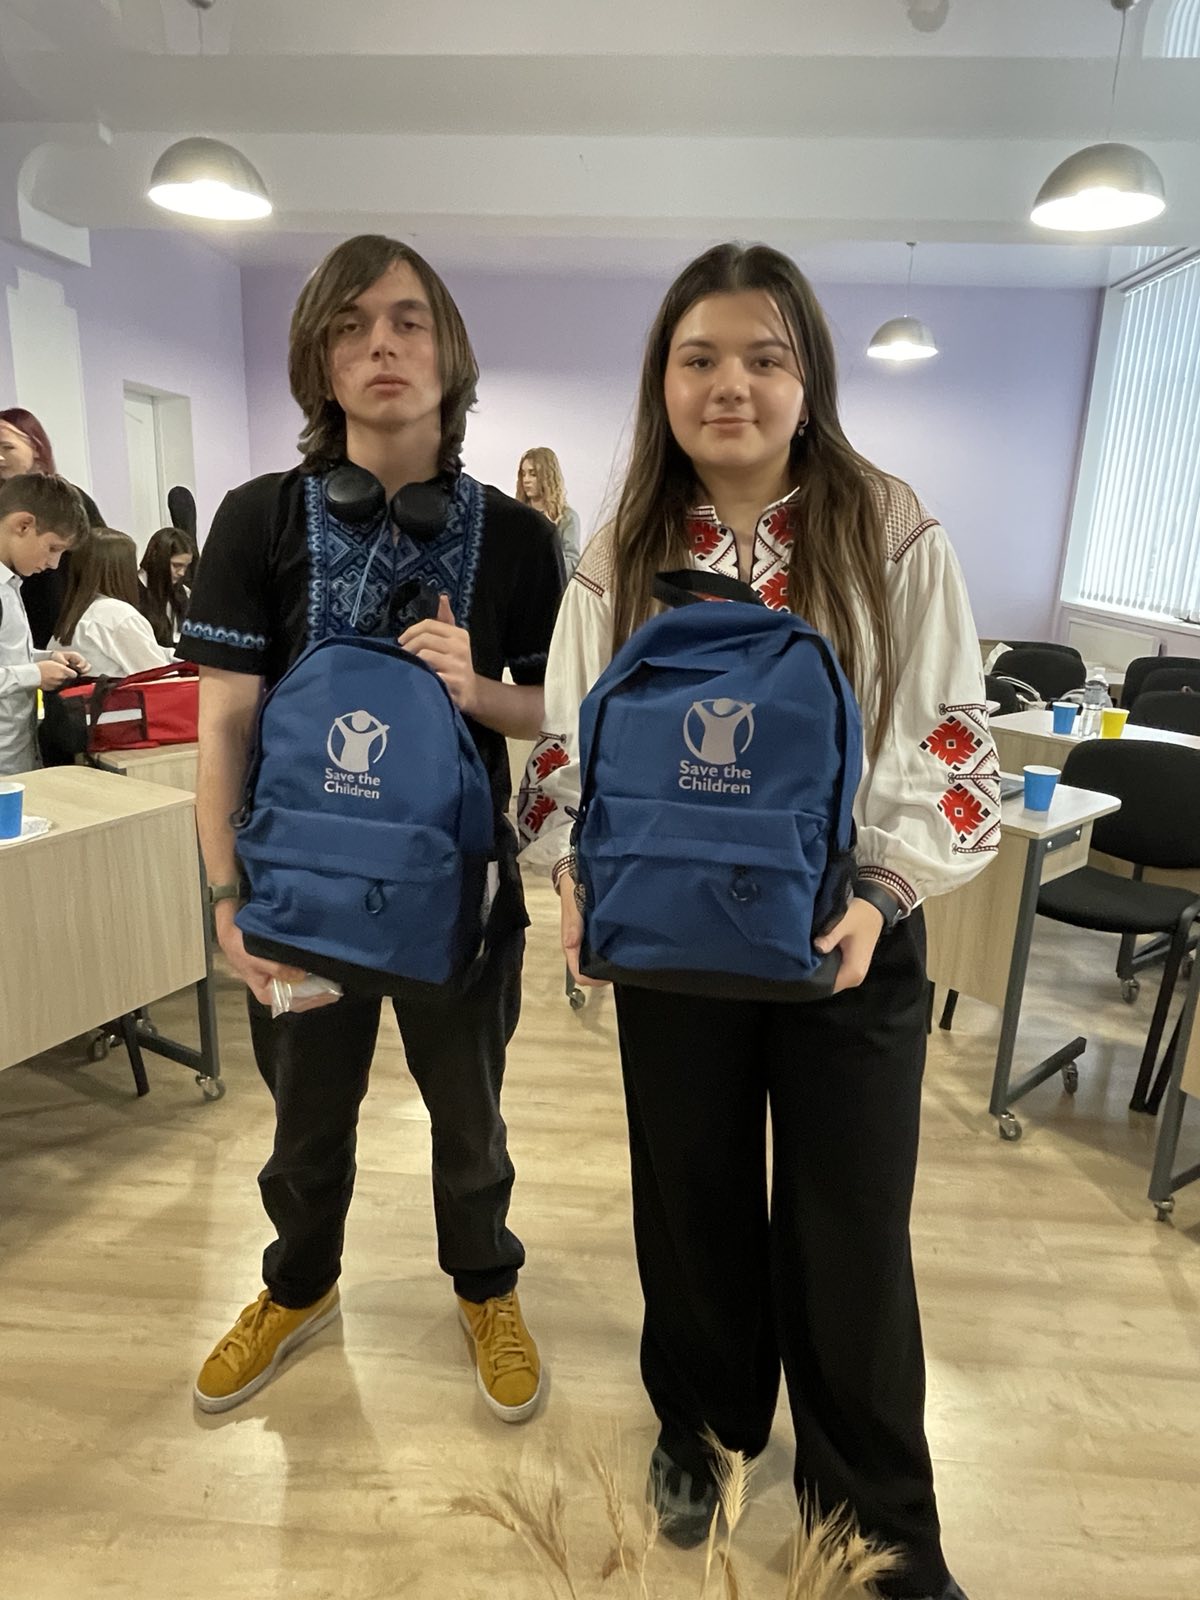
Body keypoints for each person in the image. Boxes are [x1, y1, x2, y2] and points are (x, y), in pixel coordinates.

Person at [519, 244, 996, 1600]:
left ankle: (878, 1519)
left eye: (765, 357)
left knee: (851, 1228)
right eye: (700, 358)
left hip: (847, 928)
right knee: (693, 1202)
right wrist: (574, 878)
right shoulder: (624, 548)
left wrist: (884, 892)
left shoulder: (887, 528)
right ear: (662, 380)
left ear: (808, 379)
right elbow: (569, 746)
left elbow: (948, 736)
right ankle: (706, 1427)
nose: (731, 384)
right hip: (674, 933)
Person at [177, 234, 564, 1419]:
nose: (380, 345)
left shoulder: (517, 537)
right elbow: (224, 728)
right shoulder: (257, 519)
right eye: (349, 326)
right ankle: (298, 1288)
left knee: (471, 1118)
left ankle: (486, 1284)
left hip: (459, 896)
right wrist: (227, 898)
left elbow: (557, 710)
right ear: (318, 360)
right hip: (299, 893)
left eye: (406, 320)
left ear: (450, 353)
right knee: (303, 1126)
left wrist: (477, 689)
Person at [0, 474, 91, 775]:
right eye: (53, 548)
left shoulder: (9, 585)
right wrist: (35, 674)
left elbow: (6, 656)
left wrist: (46, 658)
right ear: (23, 525)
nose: (54, 564)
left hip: (17, 756)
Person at [0, 407, 104, 648]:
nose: (1, 457)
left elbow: (101, 561)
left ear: (36, 448)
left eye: (8, 447)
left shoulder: (71, 502)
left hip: (57, 621)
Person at [50, 528, 176, 678]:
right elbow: (161, 676)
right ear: (122, 570)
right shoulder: (119, 616)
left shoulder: (72, 617)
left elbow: (147, 651)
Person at [517, 447, 581, 575]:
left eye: (533, 474)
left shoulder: (567, 517)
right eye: (523, 474)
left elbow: (571, 562)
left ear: (547, 476)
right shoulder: (517, 513)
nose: (526, 480)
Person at [138, 526, 195, 646]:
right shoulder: (134, 592)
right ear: (157, 559)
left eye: (186, 566)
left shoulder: (183, 592)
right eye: (176, 565)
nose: (182, 573)